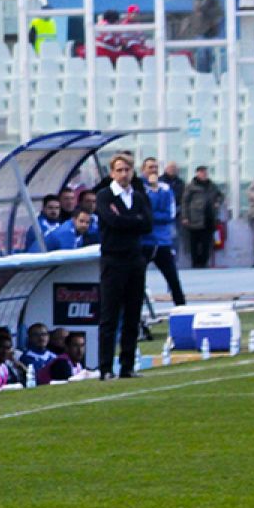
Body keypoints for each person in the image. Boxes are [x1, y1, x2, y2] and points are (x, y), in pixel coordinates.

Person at [93, 152, 152, 379]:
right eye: (119, 170)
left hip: (135, 259)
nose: (123, 174)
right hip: (113, 259)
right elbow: (112, 221)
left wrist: (127, 220)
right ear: (112, 173)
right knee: (109, 315)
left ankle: (127, 365)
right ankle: (106, 368)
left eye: (127, 170)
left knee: (133, 314)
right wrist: (134, 220)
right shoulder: (104, 196)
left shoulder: (138, 196)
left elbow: (147, 223)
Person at [141, 159, 186, 305]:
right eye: (150, 167)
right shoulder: (138, 188)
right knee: (136, 280)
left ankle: (181, 308)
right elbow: (141, 212)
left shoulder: (165, 188)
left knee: (173, 279)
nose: (153, 170)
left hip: (162, 241)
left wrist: (151, 216)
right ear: (143, 169)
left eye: (155, 167)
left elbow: (170, 214)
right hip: (143, 241)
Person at [181, 164, 224, 267]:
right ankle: (195, 263)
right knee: (194, 243)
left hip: (209, 218)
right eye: (201, 172)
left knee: (207, 242)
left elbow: (220, 195)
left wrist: (217, 202)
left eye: (205, 172)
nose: (203, 174)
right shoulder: (191, 186)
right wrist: (185, 217)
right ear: (197, 173)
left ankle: (204, 262)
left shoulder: (212, 185)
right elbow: (185, 202)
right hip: (194, 218)